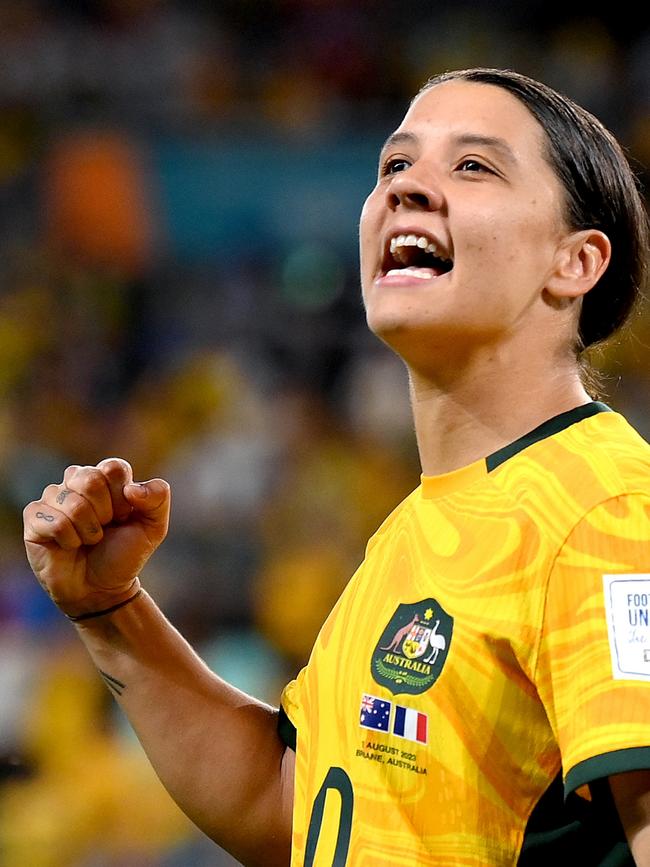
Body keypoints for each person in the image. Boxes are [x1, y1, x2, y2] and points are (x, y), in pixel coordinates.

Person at [23, 67, 650, 866]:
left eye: (473, 166)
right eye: (395, 165)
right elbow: (287, 804)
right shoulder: (424, 523)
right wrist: (108, 610)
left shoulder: (605, 511)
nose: (408, 189)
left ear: (575, 262)